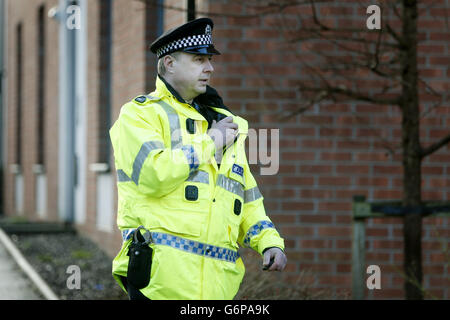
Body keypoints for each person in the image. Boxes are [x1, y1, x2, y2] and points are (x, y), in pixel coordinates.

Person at [110, 17, 287, 300]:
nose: (210, 68)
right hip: (160, 284)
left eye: (210, 60)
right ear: (169, 63)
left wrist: (269, 243)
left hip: (218, 288)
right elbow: (154, 176)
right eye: (198, 60)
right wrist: (211, 141)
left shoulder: (227, 124)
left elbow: (245, 197)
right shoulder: (140, 115)